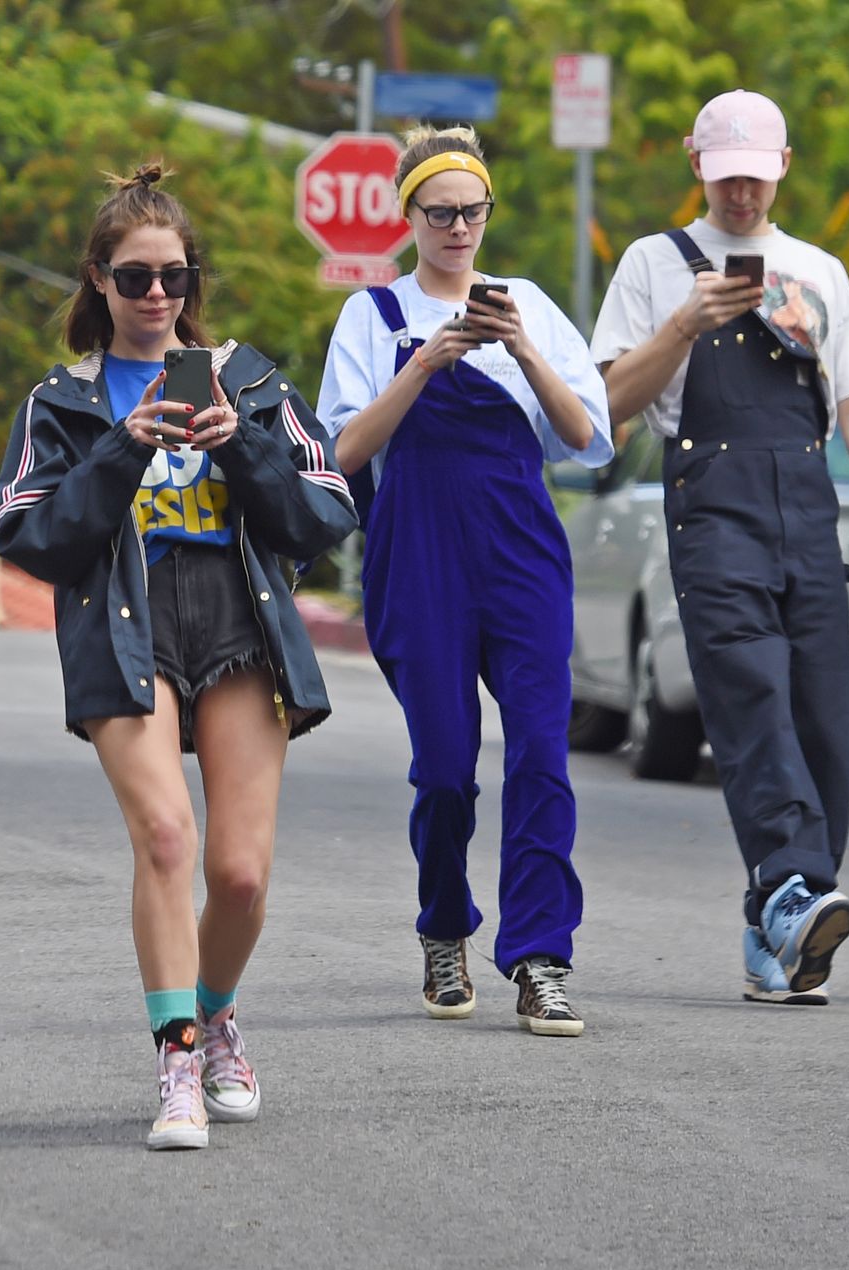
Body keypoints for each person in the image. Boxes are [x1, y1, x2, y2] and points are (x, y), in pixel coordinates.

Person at [0, 163, 356, 1150]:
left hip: (239, 623)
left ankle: (220, 1008)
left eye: (174, 277)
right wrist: (122, 448)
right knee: (163, 837)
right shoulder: (63, 401)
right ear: (98, 282)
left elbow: (322, 514)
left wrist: (242, 443)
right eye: (134, 277)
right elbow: (30, 539)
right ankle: (180, 1057)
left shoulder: (248, 380)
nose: (156, 296)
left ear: (194, 283)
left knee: (238, 872)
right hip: (127, 621)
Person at [590, 90, 849, 1003]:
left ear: (782, 169)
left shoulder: (818, 271)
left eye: (755, 175)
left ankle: (772, 925)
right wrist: (683, 327)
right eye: (724, 176)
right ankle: (793, 894)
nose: (740, 193)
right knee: (752, 703)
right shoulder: (654, 265)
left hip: (807, 508)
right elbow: (612, 407)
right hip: (710, 506)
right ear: (699, 170)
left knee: (829, 735)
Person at [317, 126, 614, 1036]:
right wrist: (424, 364)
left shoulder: (528, 306)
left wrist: (521, 349)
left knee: (539, 755)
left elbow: (588, 438)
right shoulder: (374, 316)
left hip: (522, 555)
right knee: (446, 768)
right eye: (439, 213)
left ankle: (540, 958)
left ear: (489, 213)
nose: (456, 228)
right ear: (407, 217)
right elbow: (345, 449)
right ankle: (444, 928)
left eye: (471, 212)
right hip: (421, 559)